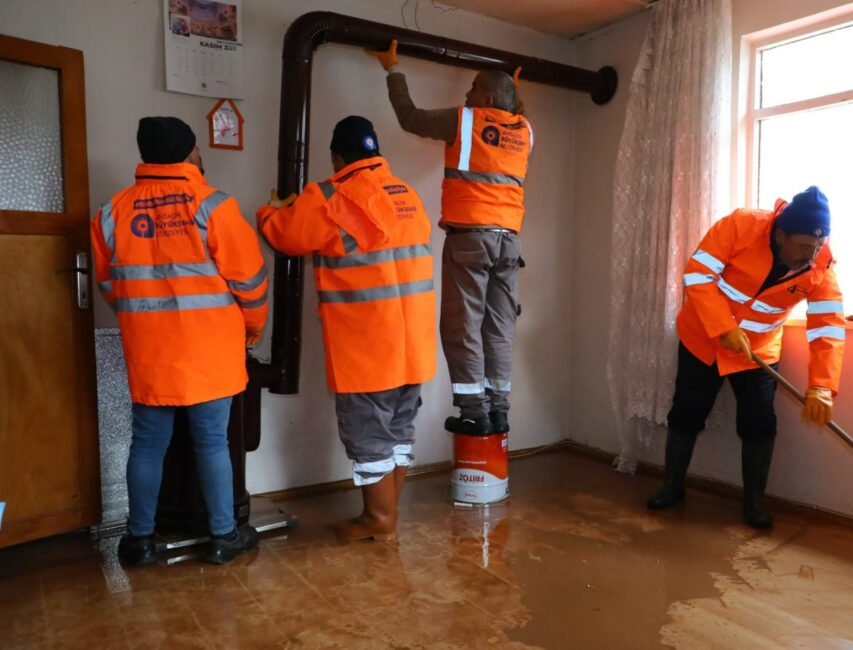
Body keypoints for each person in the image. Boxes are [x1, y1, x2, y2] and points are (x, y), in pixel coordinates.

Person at [90, 116, 267, 566]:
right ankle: (224, 536)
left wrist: (143, 322)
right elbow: (249, 282)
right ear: (191, 153)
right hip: (211, 352)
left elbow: (111, 285)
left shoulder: (111, 213)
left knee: (147, 444)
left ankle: (139, 541)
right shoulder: (213, 206)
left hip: (150, 352)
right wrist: (252, 328)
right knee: (212, 442)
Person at [257, 116, 435, 543]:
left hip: (367, 345)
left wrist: (270, 211)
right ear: (376, 152)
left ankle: (378, 520)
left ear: (337, 157)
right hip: (414, 343)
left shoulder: (330, 195)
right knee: (398, 429)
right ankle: (386, 512)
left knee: (368, 432)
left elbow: (286, 236)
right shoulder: (405, 192)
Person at [646, 186, 846, 529]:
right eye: (803, 247)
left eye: (816, 247)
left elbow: (827, 327)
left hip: (756, 353)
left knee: (759, 423)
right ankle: (672, 486)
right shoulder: (741, 225)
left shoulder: (821, 267)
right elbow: (697, 274)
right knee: (687, 413)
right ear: (780, 234)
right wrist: (722, 326)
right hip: (704, 339)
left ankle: (754, 503)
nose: (810, 257)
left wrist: (822, 387)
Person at [370, 40, 532, 437]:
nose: (466, 93)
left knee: (462, 326)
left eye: (473, 87)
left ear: (488, 97)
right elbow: (508, 112)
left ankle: (474, 412)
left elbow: (410, 118)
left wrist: (393, 70)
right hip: (508, 243)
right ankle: (498, 410)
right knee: (499, 328)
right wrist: (511, 91)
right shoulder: (524, 130)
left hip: (470, 241)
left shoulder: (465, 121)